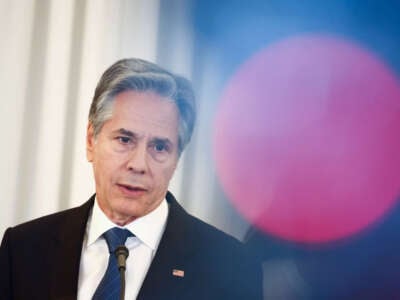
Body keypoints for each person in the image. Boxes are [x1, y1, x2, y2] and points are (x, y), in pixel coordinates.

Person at [0, 58, 262, 300]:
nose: (138, 165)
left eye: (159, 148)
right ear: (91, 141)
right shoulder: (23, 248)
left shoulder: (231, 267)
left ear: (177, 158)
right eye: (125, 140)